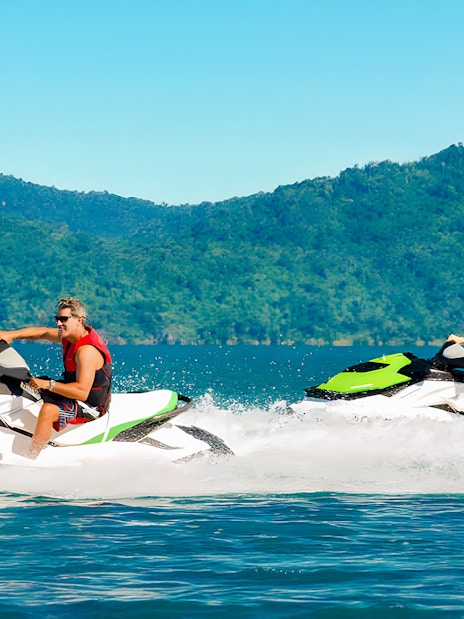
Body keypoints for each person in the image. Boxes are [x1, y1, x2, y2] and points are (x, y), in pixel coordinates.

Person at [0, 297, 112, 459]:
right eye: (58, 319)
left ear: (78, 320)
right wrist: (11, 335)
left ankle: (30, 457)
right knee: (22, 385)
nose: (59, 323)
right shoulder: (69, 335)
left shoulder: (86, 351)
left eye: (64, 319)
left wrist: (48, 384)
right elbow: (43, 332)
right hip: (71, 390)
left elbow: (81, 392)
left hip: (90, 405)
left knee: (48, 410)